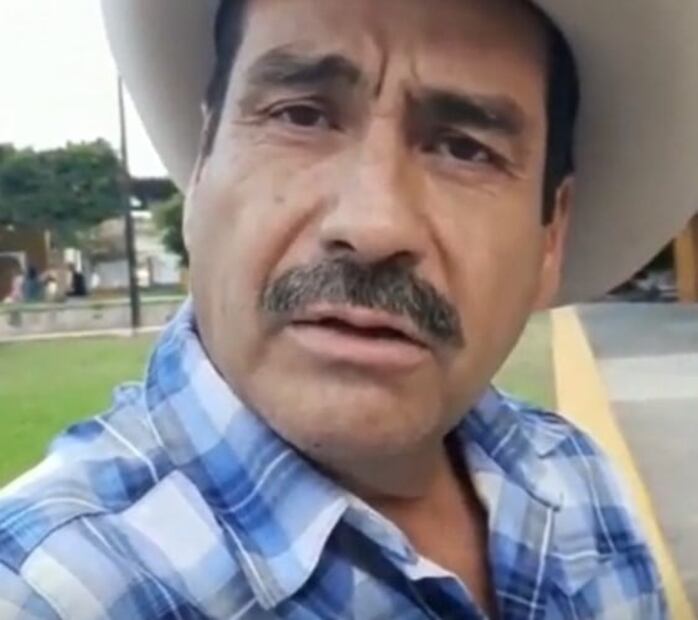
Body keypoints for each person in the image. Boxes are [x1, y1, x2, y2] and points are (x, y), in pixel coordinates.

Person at [2, 0, 696, 617]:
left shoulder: (580, 488)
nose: (373, 225)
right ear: (202, 172)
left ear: (551, 238)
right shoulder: (53, 591)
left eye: (465, 149)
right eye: (300, 115)